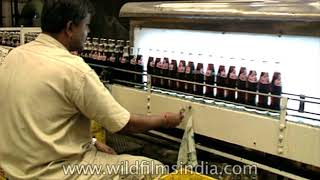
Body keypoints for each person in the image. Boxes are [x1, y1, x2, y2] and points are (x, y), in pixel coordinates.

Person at [0, 0, 183, 179]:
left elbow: (38, 120)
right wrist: (164, 120)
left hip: (16, 170)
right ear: (70, 28)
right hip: (60, 172)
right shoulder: (73, 69)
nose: (88, 32)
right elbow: (125, 125)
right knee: (153, 168)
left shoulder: (14, 56)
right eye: (86, 26)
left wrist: (93, 142)